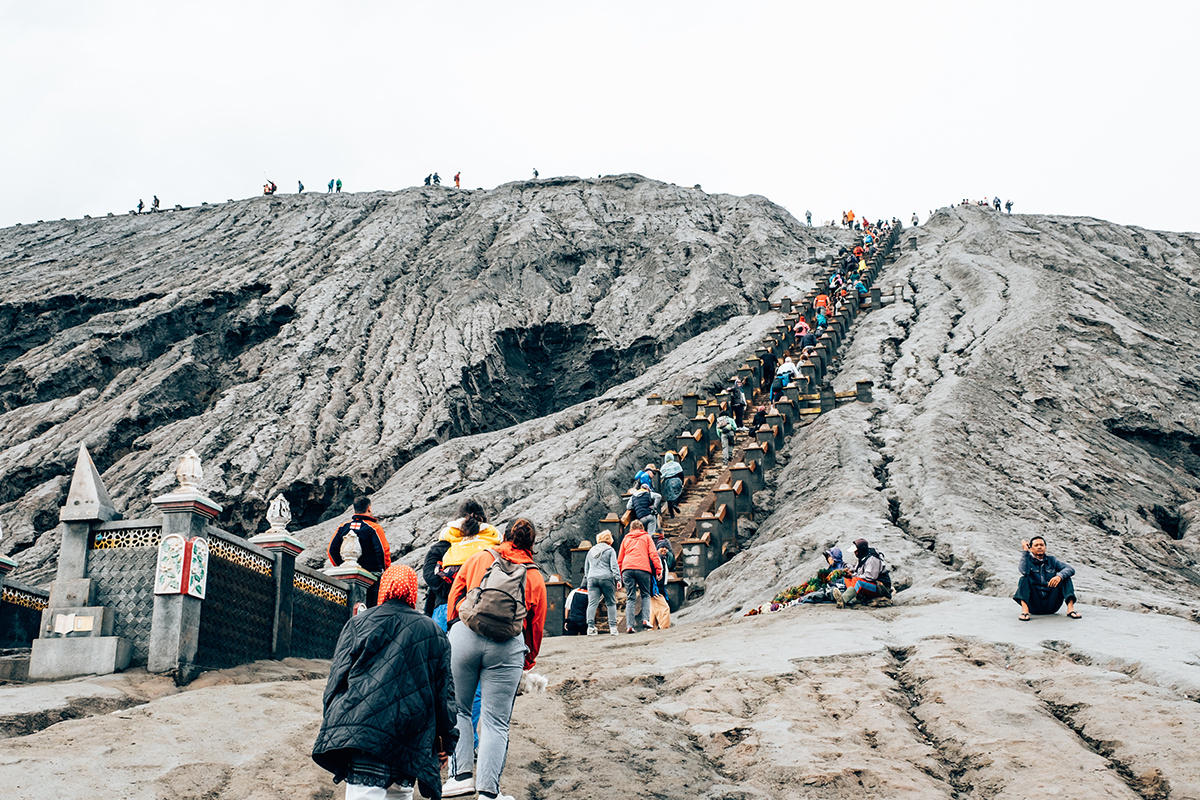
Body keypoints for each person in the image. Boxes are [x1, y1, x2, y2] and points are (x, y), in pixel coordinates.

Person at [312, 564, 458, 800]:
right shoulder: (434, 632)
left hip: (364, 735)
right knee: (400, 796)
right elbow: (444, 694)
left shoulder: (358, 623)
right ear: (413, 591)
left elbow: (336, 681)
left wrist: (335, 722)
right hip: (410, 737)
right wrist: (445, 742)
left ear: (384, 588)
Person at [444, 518, 546, 800]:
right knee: (495, 722)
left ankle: (460, 777)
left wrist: (456, 625)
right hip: (507, 646)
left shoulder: (480, 557)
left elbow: (456, 593)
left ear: (503, 535)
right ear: (532, 544)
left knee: (460, 710)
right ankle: (489, 793)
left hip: (465, 635)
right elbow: (536, 626)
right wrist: (528, 661)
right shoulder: (535, 576)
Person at [423, 500, 501, 625]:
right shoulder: (494, 544)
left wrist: (452, 591)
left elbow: (429, 573)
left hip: (445, 606)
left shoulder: (445, 543)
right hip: (485, 608)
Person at [328, 497, 392, 606]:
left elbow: (331, 550)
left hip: (349, 575)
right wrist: (386, 572)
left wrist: (343, 567)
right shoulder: (374, 528)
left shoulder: (343, 527)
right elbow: (382, 551)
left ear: (354, 510)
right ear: (369, 509)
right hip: (372, 577)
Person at [1014, 536, 1079, 620]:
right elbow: (1024, 571)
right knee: (1024, 579)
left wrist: (1059, 576)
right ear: (1031, 548)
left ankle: (1070, 609)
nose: (1039, 547)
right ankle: (1025, 611)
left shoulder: (1052, 560)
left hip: (1052, 603)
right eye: (1036, 545)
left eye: (1042, 545)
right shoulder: (1027, 560)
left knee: (1066, 578)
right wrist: (1025, 552)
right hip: (1034, 606)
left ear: (1045, 547)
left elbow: (1070, 569)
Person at [617, 520, 661, 633]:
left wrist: (619, 575)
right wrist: (658, 569)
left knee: (630, 597)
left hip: (627, 569)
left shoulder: (626, 539)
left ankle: (629, 626)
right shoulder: (646, 537)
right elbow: (653, 553)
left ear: (631, 528)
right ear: (642, 527)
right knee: (645, 594)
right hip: (643, 568)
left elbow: (620, 558)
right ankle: (645, 619)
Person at [830, 538, 891, 608]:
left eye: (856, 551)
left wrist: (852, 575)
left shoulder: (873, 559)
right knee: (847, 579)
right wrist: (848, 572)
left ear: (861, 550)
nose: (854, 553)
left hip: (881, 587)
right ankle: (852, 597)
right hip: (871, 584)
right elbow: (857, 570)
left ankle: (843, 600)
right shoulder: (863, 557)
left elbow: (870, 577)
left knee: (857, 582)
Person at [584, 531, 620, 635]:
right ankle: (613, 627)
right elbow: (614, 566)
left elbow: (587, 569)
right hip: (606, 578)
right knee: (611, 603)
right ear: (609, 540)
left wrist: (589, 579)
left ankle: (590, 627)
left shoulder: (590, 551)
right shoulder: (610, 550)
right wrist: (618, 579)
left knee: (592, 603)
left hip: (592, 578)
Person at [659, 452, 683, 518]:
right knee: (680, 494)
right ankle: (675, 504)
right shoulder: (677, 465)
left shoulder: (664, 466)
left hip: (668, 482)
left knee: (669, 498)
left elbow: (661, 476)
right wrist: (682, 483)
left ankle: (672, 515)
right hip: (677, 479)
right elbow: (681, 474)